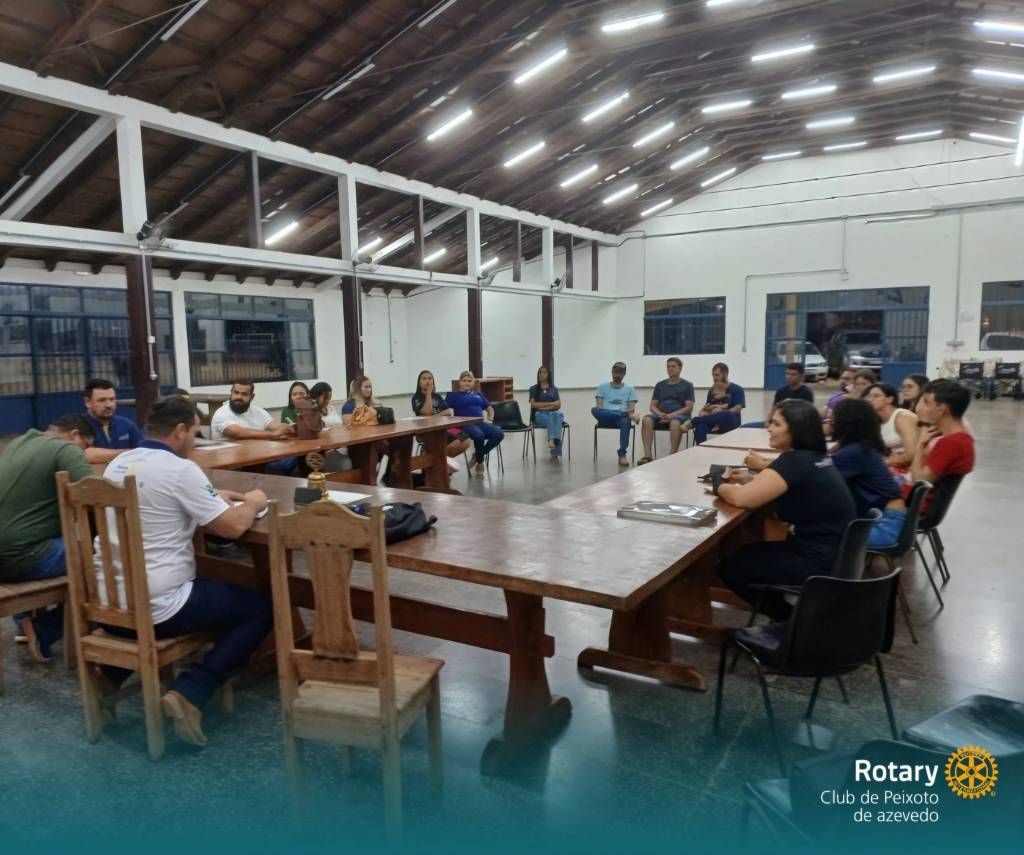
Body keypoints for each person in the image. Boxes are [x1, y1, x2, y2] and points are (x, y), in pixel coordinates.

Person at [98, 396, 272, 747]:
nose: (194, 439)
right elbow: (232, 528)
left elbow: (155, 496)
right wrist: (254, 502)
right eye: (193, 432)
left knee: (214, 594)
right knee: (259, 609)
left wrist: (208, 494)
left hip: (108, 602)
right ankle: (191, 691)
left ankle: (108, 679)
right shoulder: (181, 470)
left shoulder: (119, 463)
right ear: (179, 431)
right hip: (159, 607)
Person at [717, 400, 856, 619]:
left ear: (796, 430)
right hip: (838, 556)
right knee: (746, 553)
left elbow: (742, 499)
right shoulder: (815, 457)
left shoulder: (793, 461)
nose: (768, 428)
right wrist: (749, 480)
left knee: (732, 567)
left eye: (776, 424)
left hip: (816, 561)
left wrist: (719, 484)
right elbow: (788, 486)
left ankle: (792, 620)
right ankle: (794, 619)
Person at [0, 414, 95, 662]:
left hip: (8, 553)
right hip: (21, 558)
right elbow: (96, 494)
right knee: (101, 560)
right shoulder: (66, 448)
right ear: (75, 435)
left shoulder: (18, 443)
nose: (84, 453)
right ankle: (44, 629)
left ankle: (24, 624)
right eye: (85, 447)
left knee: (35, 536)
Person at [829, 398, 906, 546]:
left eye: (833, 419)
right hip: (887, 519)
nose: (831, 423)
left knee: (817, 536)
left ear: (844, 423)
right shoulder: (863, 448)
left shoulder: (854, 453)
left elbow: (817, 475)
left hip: (884, 527)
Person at [210, 380, 297, 475]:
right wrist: (273, 434)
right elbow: (240, 433)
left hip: (258, 458)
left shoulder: (258, 411)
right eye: (236, 393)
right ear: (231, 392)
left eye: (244, 394)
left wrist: (293, 427)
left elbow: (275, 425)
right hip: (233, 466)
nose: (239, 397)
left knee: (297, 454)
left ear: (252, 397)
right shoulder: (221, 414)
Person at [445, 370, 504, 477]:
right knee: (479, 435)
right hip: (464, 424)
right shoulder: (453, 396)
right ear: (459, 382)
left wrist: (490, 419)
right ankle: (480, 463)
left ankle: (477, 455)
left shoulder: (478, 394)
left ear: (473, 382)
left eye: (469, 381)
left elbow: (489, 408)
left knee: (499, 434)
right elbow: (445, 411)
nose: (466, 383)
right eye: (464, 380)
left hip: (480, 423)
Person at [639, 357, 695, 463]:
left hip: (680, 416)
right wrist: (660, 414)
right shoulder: (660, 385)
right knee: (646, 420)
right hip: (661, 416)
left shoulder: (687, 385)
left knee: (675, 422)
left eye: (673, 366)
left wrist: (671, 415)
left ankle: (672, 455)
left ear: (680, 368)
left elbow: (689, 408)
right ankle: (647, 456)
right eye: (668, 367)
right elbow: (652, 406)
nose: (670, 369)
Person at [411, 370, 472, 459]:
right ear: (419, 383)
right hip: (428, 430)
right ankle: (438, 462)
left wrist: (433, 417)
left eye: (430, 378)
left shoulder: (437, 396)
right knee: (453, 442)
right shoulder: (416, 398)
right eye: (424, 379)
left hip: (444, 427)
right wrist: (428, 393)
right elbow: (427, 412)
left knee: (466, 439)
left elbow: (448, 412)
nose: (427, 381)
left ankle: (437, 461)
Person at [81, 378, 144, 464]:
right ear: (87, 402)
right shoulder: (78, 426)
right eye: (101, 400)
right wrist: (132, 452)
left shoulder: (127, 425)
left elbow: (144, 452)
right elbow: (86, 455)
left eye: (112, 399)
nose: (109, 405)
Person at [341, 375, 390, 484]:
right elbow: (348, 428)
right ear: (358, 389)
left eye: (370, 387)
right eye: (366, 387)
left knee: (397, 442)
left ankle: (383, 477)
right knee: (374, 445)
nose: (369, 389)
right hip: (357, 444)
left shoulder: (375, 404)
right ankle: (372, 481)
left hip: (374, 439)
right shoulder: (349, 405)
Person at [592, 361, 639, 467]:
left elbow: (631, 409)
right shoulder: (602, 387)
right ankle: (621, 414)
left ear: (624, 374)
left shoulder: (630, 389)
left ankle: (622, 454)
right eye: (615, 372)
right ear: (612, 372)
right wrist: (624, 413)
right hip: (605, 418)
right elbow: (599, 408)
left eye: (620, 373)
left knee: (625, 422)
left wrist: (627, 414)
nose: (617, 375)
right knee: (594, 410)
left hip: (620, 420)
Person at [689, 363, 745, 445]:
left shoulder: (736, 389)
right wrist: (704, 411)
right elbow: (706, 408)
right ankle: (701, 450)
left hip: (730, 422)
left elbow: (738, 408)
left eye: (717, 375)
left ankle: (693, 421)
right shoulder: (712, 390)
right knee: (700, 426)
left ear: (725, 374)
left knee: (726, 414)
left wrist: (721, 412)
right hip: (712, 420)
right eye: (713, 375)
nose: (714, 378)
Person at [865, 383, 919, 466]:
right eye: (869, 396)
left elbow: (912, 453)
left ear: (889, 399)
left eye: (876, 396)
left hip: (914, 465)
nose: (870, 399)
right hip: (896, 464)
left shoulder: (903, 417)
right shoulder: (878, 421)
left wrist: (886, 462)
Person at [307, 381, 351, 471]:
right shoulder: (311, 412)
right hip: (327, 449)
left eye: (330, 398)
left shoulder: (331, 408)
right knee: (346, 463)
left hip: (341, 443)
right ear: (317, 396)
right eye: (326, 398)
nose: (328, 401)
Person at [529, 366, 564, 462]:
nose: (542, 374)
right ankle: (555, 454)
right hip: (539, 415)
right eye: (540, 372)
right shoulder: (533, 389)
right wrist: (551, 404)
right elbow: (533, 405)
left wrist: (542, 406)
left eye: (544, 372)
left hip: (553, 413)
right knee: (556, 421)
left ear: (548, 375)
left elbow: (558, 405)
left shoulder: (554, 389)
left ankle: (551, 439)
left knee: (557, 415)